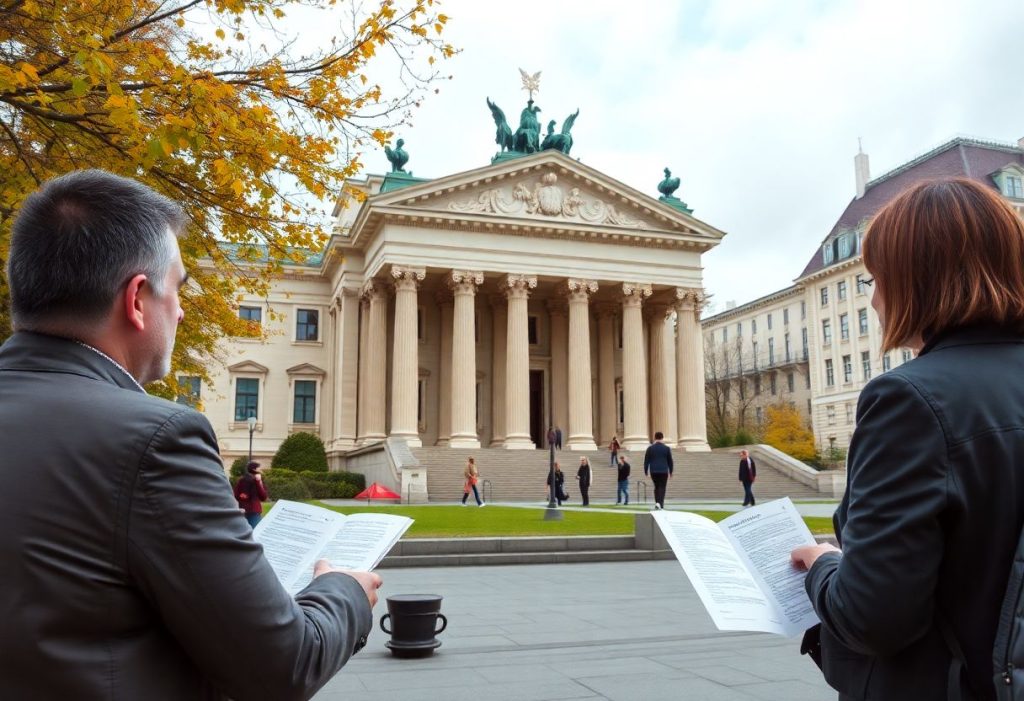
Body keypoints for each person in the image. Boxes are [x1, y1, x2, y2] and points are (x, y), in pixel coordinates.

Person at [0, 170, 381, 700]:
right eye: (176, 289)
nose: (180, 310)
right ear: (136, 300)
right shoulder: (155, 438)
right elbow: (283, 665)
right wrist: (345, 591)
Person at [790, 178, 1024, 700]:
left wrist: (822, 563)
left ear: (914, 279)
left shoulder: (910, 400)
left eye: (874, 279)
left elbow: (872, 616)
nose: (872, 300)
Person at [643, 431, 673, 510]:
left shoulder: (650, 448)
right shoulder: (666, 448)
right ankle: (660, 504)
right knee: (662, 487)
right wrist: (671, 471)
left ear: (655, 438)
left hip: (653, 471)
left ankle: (657, 503)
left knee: (656, 487)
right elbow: (670, 461)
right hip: (663, 471)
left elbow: (646, 460)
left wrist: (646, 471)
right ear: (662, 438)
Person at [234, 461, 269, 527]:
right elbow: (263, 497)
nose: (261, 469)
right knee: (256, 532)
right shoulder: (257, 480)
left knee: (243, 533)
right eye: (259, 468)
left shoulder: (241, 480)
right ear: (254, 469)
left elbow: (236, 495)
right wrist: (259, 482)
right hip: (254, 510)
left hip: (242, 509)